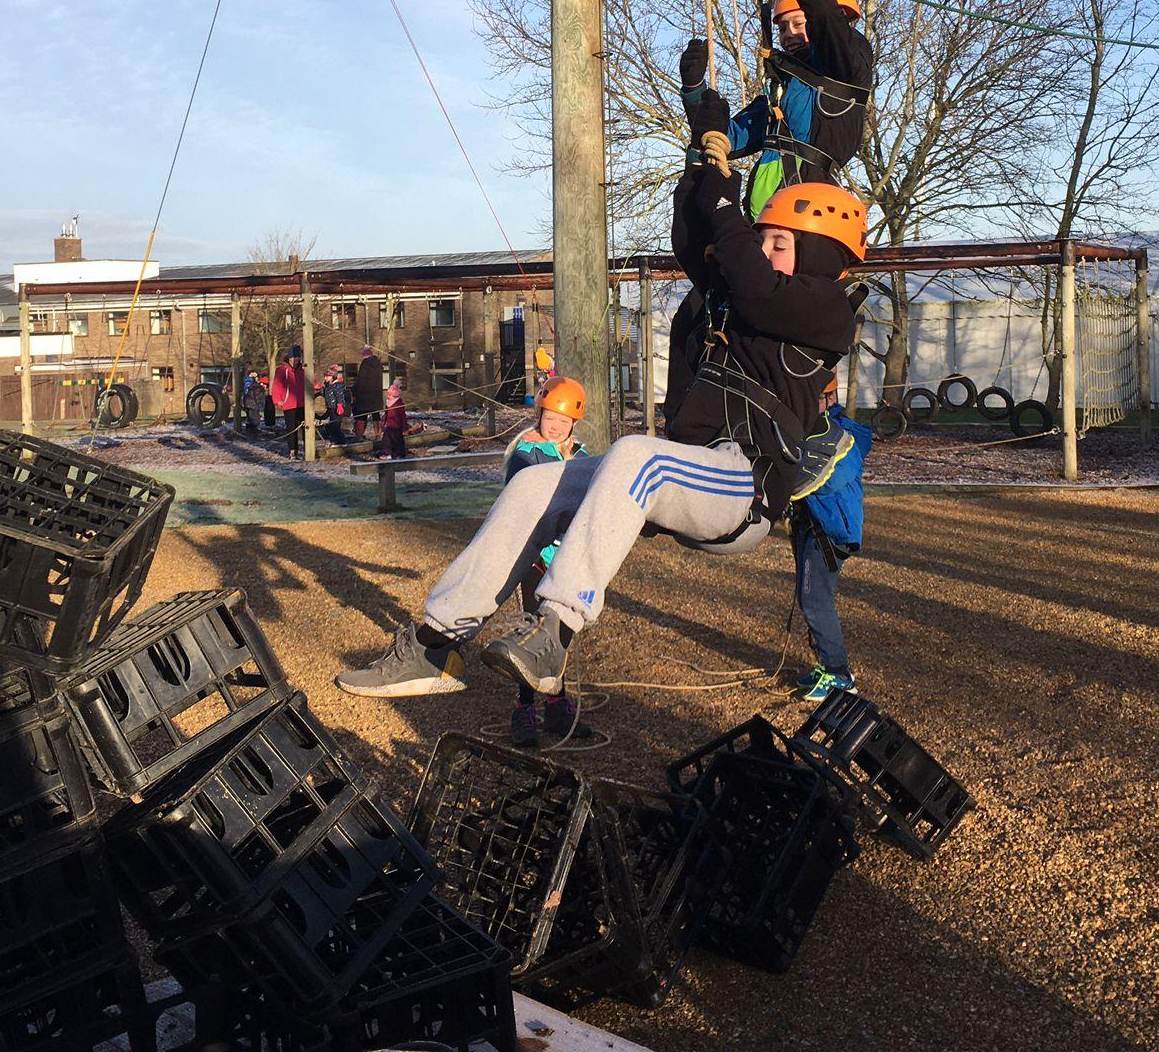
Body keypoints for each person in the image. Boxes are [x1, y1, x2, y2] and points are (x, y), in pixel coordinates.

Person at [337, 128, 865, 704]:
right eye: (761, 241)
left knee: (637, 454)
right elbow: (700, 244)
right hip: (693, 470)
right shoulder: (748, 296)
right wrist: (701, 154)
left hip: (744, 488)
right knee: (534, 486)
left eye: (778, 242)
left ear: (820, 254)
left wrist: (725, 203)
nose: (763, 251)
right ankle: (436, 644)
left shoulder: (826, 310)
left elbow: (752, 279)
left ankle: (555, 631)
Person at [679, 0, 874, 218]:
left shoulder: (846, 64)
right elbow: (720, 139)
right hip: (766, 217)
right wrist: (694, 90)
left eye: (798, 24)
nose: (788, 35)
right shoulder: (782, 95)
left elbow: (824, 13)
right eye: (782, 27)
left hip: (807, 212)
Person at [502, 377, 591, 746]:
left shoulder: (581, 456)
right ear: (539, 415)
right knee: (532, 631)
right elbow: (521, 503)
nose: (555, 426)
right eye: (550, 418)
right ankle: (524, 708)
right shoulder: (526, 454)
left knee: (561, 631)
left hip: (567, 557)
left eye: (563, 421)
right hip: (535, 556)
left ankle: (556, 704)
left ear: (573, 424)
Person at [789, 381, 872, 702]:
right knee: (809, 597)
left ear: (829, 398)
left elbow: (824, 480)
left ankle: (838, 674)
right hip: (812, 526)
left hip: (830, 532)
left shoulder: (841, 436)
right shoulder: (811, 430)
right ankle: (827, 665)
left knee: (815, 601)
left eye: (813, 398)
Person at [272, 347, 307, 457]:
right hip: (289, 403)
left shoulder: (303, 370)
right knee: (291, 428)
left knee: (306, 427)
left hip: (303, 403)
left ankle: (308, 450)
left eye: (297, 358)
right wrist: (277, 400)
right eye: (293, 358)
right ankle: (293, 450)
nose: (295, 361)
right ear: (289, 358)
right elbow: (277, 385)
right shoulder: (282, 370)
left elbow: (309, 382)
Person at [352, 343, 383, 442]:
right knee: (376, 415)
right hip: (376, 395)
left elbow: (361, 380)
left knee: (361, 415)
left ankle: (359, 435)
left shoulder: (365, 364)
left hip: (364, 396)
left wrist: (355, 391)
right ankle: (378, 434)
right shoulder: (378, 365)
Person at [377, 379, 410, 459]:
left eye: (389, 395)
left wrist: (404, 428)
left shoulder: (399, 403)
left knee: (397, 440)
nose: (388, 397)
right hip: (389, 426)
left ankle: (399, 454)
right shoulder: (388, 404)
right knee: (386, 440)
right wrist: (383, 423)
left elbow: (403, 416)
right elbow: (386, 414)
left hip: (397, 426)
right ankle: (387, 453)